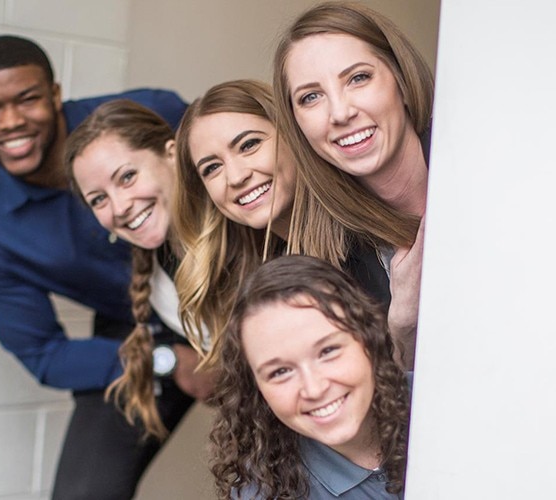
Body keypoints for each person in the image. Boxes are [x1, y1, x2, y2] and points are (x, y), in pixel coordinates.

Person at [0, 35, 191, 499]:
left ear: (55, 95)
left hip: (238, 284)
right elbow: (44, 352)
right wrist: (166, 362)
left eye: (27, 99)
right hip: (136, 329)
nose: (10, 122)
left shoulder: (146, 114)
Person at [173, 80, 389, 364]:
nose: (236, 177)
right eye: (212, 168)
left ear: (293, 133)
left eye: (249, 145)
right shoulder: (256, 282)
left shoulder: (372, 235)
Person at [272, 2, 435, 369]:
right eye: (311, 97)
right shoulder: (332, 264)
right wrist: (403, 327)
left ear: (403, 83)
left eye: (358, 78)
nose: (340, 113)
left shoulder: (492, 168)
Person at [65, 99, 215, 439]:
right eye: (98, 200)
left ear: (172, 154)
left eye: (128, 177)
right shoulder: (158, 280)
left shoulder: (246, 229)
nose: (119, 207)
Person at [210, 254, 411, 499]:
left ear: (368, 339)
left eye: (327, 351)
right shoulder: (264, 493)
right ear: (257, 391)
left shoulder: (445, 403)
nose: (314, 389)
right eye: (280, 372)